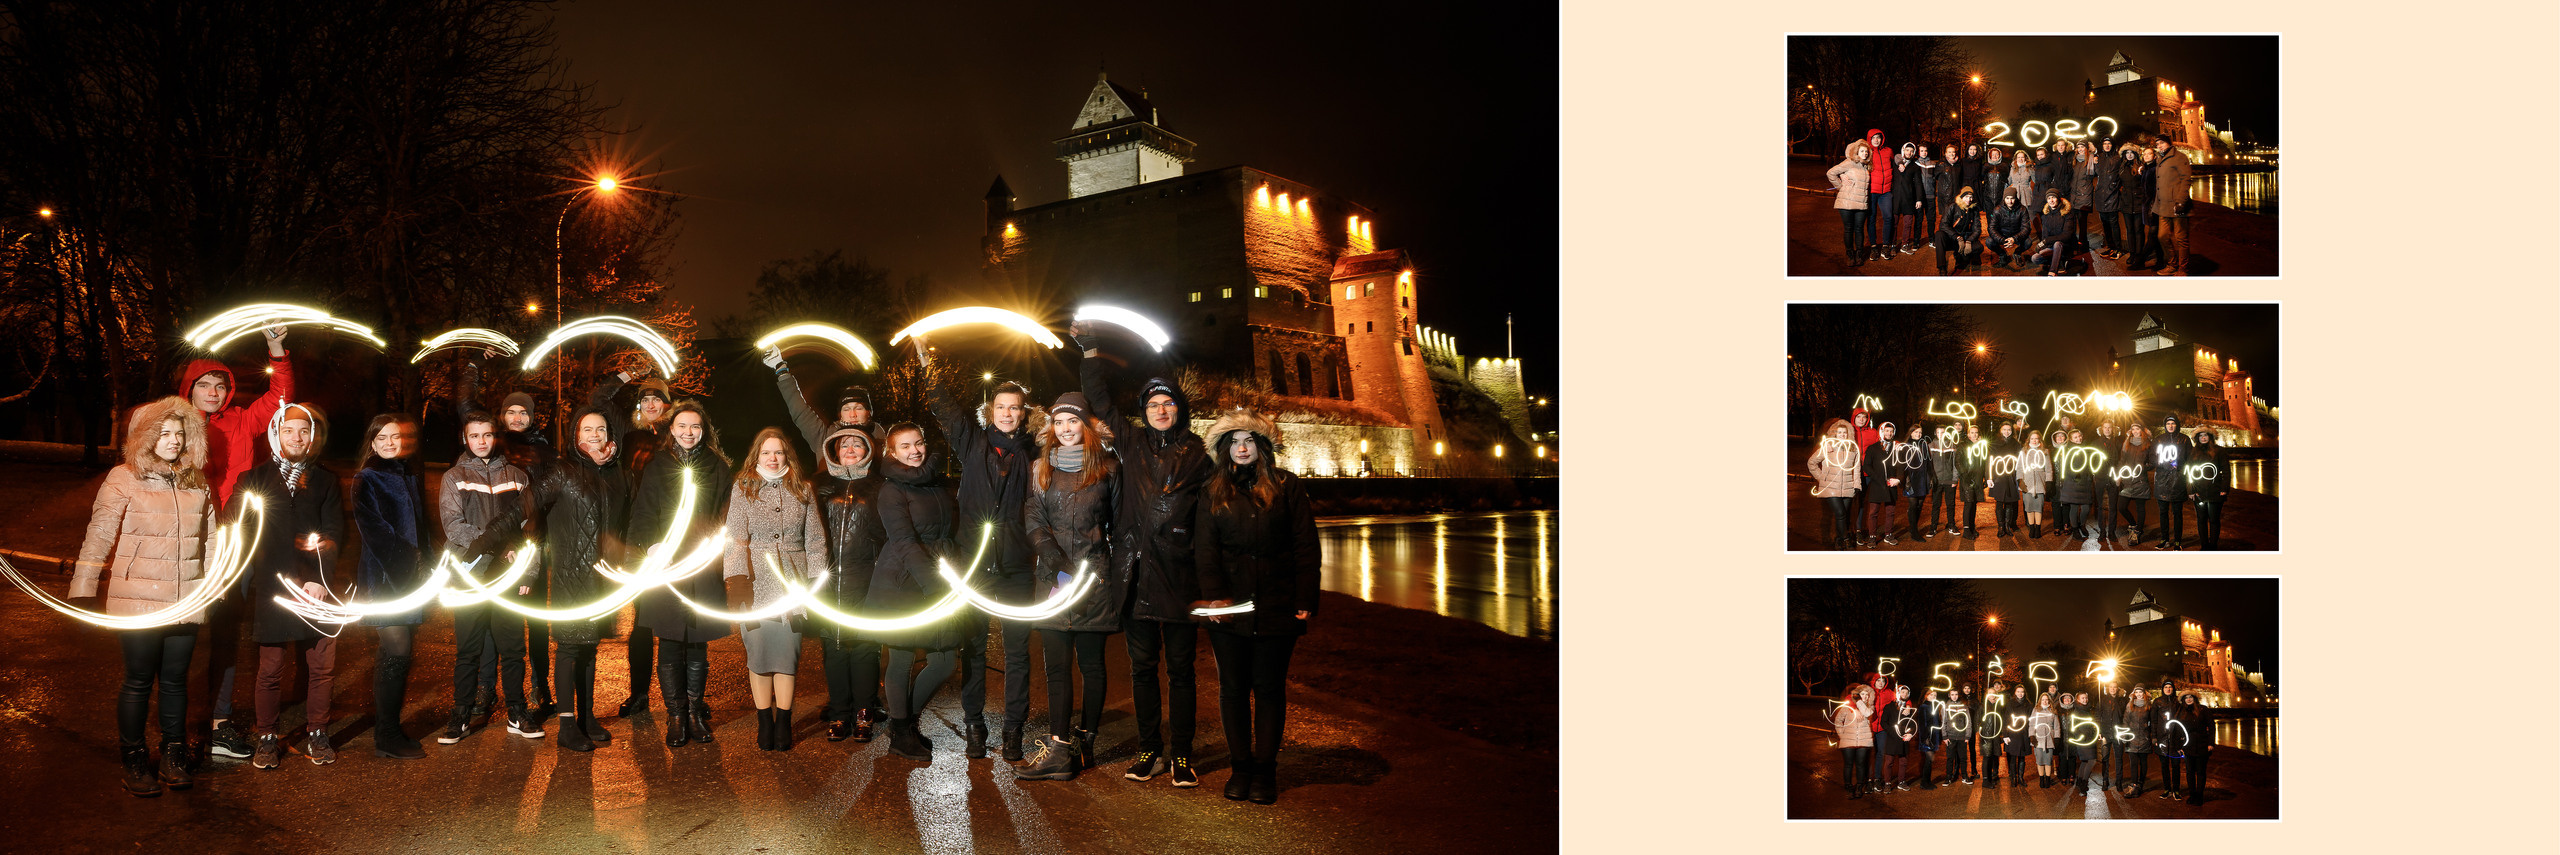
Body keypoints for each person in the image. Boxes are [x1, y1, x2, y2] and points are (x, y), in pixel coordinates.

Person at [1073, 331, 1214, 787]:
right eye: (1153, 404)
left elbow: (1213, 513)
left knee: (1180, 671)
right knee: (1141, 669)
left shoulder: (1199, 453)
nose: (1160, 410)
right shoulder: (1129, 444)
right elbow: (1098, 399)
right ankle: (1150, 749)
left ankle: (1182, 755)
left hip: (1177, 577)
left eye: (1167, 403)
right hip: (1133, 574)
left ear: (1179, 409)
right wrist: (1090, 349)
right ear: (1143, 411)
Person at [74, 398, 218, 796]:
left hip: (186, 596)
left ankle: (173, 754)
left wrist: (213, 584)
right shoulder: (123, 477)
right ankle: (134, 758)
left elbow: (211, 538)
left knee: (175, 681)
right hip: (137, 598)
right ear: (145, 436)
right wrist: (83, 588)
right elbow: (100, 533)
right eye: (164, 433)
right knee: (138, 681)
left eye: (180, 433)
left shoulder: (195, 478)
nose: (173, 441)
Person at [913, 337, 1044, 761]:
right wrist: (927, 360)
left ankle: (1013, 729)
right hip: (973, 564)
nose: (1008, 413)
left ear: (1024, 414)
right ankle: (974, 725)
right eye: (1001, 406)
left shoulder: (1036, 451)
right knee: (973, 649)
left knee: (1018, 652)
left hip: (1016, 565)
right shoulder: (972, 444)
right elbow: (944, 408)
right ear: (990, 411)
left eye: (1015, 408)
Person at [176, 325, 293, 762]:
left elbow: (280, 397)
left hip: (233, 540)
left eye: (220, 384)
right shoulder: (173, 426)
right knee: (181, 636)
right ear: (189, 389)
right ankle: (180, 725)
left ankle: (219, 724)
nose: (212, 391)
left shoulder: (243, 420)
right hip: (185, 542)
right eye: (204, 384)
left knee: (225, 634)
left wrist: (276, 349)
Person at [1193, 410, 1320, 806]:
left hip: (1277, 603)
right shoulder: (1212, 491)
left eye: (1248, 441)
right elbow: (1205, 550)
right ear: (1224, 449)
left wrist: (1305, 598)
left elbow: (1305, 545)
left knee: (1268, 690)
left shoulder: (1287, 486)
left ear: (1261, 447)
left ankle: (1265, 771)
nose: (1242, 448)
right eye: (1233, 442)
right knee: (1233, 690)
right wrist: (1215, 598)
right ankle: (1240, 767)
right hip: (1230, 607)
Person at [1016, 393, 1126, 781]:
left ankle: (1087, 741)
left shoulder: (1109, 469)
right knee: (1056, 668)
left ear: (1087, 427)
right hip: (1053, 582)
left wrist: (1105, 574)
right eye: (1059, 423)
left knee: (1092, 665)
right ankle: (1060, 748)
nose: (1065, 429)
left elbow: (1119, 525)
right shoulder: (1039, 469)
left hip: (1094, 581)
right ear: (1051, 428)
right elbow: (1033, 517)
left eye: (1073, 422)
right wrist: (1053, 558)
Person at [236, 403, 343, 769]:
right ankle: (267, 736)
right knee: (270, 668)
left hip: (316, 586)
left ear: (312, 436)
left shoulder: (326, 481)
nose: (296, 438)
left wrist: (319, 578)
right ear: (275, 435)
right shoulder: (253, 480)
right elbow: (240, 532)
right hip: (273, 587)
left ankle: (317, 732)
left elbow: (333, 533)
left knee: (321, 665)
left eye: (304, 431)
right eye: (288, 431)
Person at [628, 401, 734, 748]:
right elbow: (643, 511)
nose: (689, 433)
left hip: (702, 565)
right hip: (667, 566)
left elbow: (725, 513)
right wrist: (652, 545)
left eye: (696, 427)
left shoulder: (717, 467)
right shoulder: (656, 466)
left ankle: (693, 713)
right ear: (671, 430)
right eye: (683, 426)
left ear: (705, 432)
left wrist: (718, 546)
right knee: (671, 642)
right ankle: (675, 715)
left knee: (698, 642)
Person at [526, 406, 630, 752]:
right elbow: (527, 508)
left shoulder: (616, 475)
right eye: (587, 430)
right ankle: (567, 725)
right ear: (575, 436)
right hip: (572, 576)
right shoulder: (562, 471)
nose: (595, 435)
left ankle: (586, 717)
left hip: (601, 578)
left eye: (601, 429)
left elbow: (622, 526)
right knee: (570, 647)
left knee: (590, 646)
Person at [460, 357, 556, 719]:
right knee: (491, 618)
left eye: (523, 413)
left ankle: (539, 686)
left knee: (532, 619)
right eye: (511, 412)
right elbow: (467, 406)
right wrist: (475, 367)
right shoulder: (493, 447)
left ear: (532, 417)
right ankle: (487, 687)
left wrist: (535, 551)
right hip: (497, 545)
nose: (517, 418)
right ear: (501, 416)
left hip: (531, 543)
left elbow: (547, 501)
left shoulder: (544, 451)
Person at [869, 422, 969, 762]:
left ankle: (905, 724)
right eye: (906, 446)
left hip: (939, 576)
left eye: (919, 442)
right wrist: (935, 586)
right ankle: (901, 731)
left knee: (943, 662)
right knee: (902, 658)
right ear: (892, 453)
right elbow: (905, 543)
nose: (915, 450)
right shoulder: (891, 491)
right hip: (903, 581)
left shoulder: (937, 481)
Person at [724, 428, 825, 752]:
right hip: (755, 582)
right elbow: (736, 537)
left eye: (778, 452)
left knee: (787, 656)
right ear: (757, 456)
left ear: (787, 455)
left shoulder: (803, 488)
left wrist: (814, 581)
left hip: (792, 585)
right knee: (759, 655)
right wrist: (737, 579)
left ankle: (784, 720)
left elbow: (816, 541)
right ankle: (764, 720)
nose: (772, 457)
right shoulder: (743, 488)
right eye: (766, 452)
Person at [437, 410, 528, 745]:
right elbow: (453, 525)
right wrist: (494, 544)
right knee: (469, 649)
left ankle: (517, 711)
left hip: (506, 574)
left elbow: (527, 526)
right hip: (469, 574)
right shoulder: (454, 476)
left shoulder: (518, 476)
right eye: (474, 436)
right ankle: (461, 713)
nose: (481, 442)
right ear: (465, 438)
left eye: (486, 435)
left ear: (495, 436)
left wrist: (524, 563)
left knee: (513, 647)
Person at [353, 414, 434, 760]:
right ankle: (386, 733)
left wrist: (428, 563)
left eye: (395, 437)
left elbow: (422, 525)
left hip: (412, 577)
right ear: (372, 443)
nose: (390, 443)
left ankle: (390, 727)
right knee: (396, 650)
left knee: (399, 654)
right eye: (382, 438)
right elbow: (376, 532)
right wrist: (411, 562)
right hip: (385, 578)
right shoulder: (366, 479)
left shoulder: (409, 475)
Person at [589, 370, 669, 718]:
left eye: (657, 399)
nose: (651, 404)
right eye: (645, 399)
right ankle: (639, 694)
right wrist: (624, 373)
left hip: (670, 535)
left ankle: (684, 695)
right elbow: (598, 401)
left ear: (667, 404)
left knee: (673, 618)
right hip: (635, 535)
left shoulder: (677, 434)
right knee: (641, 622)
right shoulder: (627, 435)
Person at [813, 426, 885, 743]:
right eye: (845, 445)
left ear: (868, 449)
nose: (851, 449)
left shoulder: (879, 486)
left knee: (865, 649)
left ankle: (864, 712)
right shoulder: (820, 487)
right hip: (829, 580)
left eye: (858, 444)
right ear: (834, 450)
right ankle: (840, 713)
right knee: (835, 648)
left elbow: (887, 534)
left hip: (866, 578)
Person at [760, 344, 883, 455]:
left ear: (869, 412)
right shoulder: (824, 439)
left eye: (858, 408)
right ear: (840, 414)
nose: (853, 415)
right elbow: (799, 410)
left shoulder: (885, 442)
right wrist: (781, 369)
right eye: (846, 409)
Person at [2149, 415, 2195, 549]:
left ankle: (2177, 542)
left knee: (2177, 514)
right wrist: (2165, 464)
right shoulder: (2158, 439)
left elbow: (2190, 459)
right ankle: (2164, 539)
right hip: (2161, 481)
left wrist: (2179, 465)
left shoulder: (2184, 439)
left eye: (2173, 423)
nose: (2170, 426)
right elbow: (2153, 457)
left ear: (2177, 425)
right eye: (2168, 423)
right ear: (2165, 425)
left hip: (2178, 481)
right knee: (2163, 513)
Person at [2151, 136, 2195, 275]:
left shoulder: (2179, 157)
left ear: (2169, 143)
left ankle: (2183, 268)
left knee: (2181, 238)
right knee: (2162, 236)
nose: (2160, 146)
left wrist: (2181, 201)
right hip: (2163, 206)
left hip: (2177, 206)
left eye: (2162, 143)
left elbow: (2186, 180)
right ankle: (2172, 263)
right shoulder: (2160, 159)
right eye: (2157, 144)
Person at [1857, 421, 1905, 547]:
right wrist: (1877, 477)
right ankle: (1872, 537)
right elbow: (1866, 466)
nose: (1889, 433)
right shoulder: (1873, 448)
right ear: (1881, 431)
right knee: (1873, 512)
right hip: (1877, 483)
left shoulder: (1896, 447)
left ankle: (1888, 535)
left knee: (1890, 512)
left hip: (1891, 484)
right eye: (1886, 431)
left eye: (1891, 431)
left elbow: (1901, 465)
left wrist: (1898, 479)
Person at [1827, 139, 1872, 268]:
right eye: (1862, 151)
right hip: (1846, 202)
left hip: (1861, 203)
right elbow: (1830, 173)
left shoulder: (1865, 166)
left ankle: (1859, 255)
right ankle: (1850, 256)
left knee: (1859, 229)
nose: (1865, 154)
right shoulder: (1849, 162)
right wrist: (1840, 186)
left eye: (1866, 152)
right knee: (1849, 229)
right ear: (1857, 152)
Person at [2190, 429, 2234, 550]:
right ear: (2197, 438)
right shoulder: (2193, 451)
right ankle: (2204, 546)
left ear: (2210, 436)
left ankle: (2213, 546)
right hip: (2199, 490)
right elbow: (2188, 472)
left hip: (2215, 490)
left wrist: (2224, 489)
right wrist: (2191, 490)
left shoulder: (2219, 451)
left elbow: (2226, 471)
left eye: (2205, 435)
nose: (2203, 438)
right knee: (2201, 520)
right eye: (2200, 436)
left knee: (2214, 520)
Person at [1830, 684, 1874, 800]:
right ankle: (1848, 787)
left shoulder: (1870, 708)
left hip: (1863, 741)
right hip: (1848, 740)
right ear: (1857, 695)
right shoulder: (1847, 707)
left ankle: (1859, 787)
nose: (1864, 696)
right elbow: (1838, 721)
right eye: (1862, 694)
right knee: (1848, 765)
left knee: (1860, 765)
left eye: (1866, 694)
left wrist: (1859, 704)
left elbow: (1867, 714)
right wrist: (1841, 734)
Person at [1932, 186, 1982, 276]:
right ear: (1961, 197)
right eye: (1966, 197)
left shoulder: (1974, 209)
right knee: (1939, 235)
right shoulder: (1953, 206)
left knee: (1979, 247)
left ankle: (1963, 257)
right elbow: (1943, 224)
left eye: (1971, 197)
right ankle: (1942, 268)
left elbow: (1977, 229)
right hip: (1953, 239)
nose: (1969, 199)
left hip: (1966, 239)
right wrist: (1957, 237)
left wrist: (1969, 241)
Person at [1897, 424, 1935, 542]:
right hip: (1911, 479)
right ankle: (1914, 532)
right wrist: (1904, 480)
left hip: (1922, 479)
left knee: (1919, 505)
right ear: (1911, 432)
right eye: (1916, 432)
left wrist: (1931, 477)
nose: (1918, 434)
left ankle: (1913, 527)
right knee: (1913, 505)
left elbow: (1929, 462)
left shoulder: (1924, 445)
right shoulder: (1905, 446)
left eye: (1920, 432)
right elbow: (1900, 465)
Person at [2055, 428, 2094, 539]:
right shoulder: (2067, 450)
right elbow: (2065, 466)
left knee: (2086, 508)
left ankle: (2082, 525)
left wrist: (2089, 476)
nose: (2079, 439)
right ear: (2071, 439)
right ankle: (2075, 529)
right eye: (2075, 437)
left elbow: (2090, 463)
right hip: (2073, 481)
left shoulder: (2086, 448)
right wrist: (2074, 475)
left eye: (2079, 436)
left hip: (2085, 482)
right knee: (2074, 507)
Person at [2117, 424, 2153, 544]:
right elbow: (2122, 460)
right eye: (2133, 429)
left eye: (2138, 429)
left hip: (2140, 481)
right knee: (2121, 506)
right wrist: (2118, 475)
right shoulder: (2127, 443)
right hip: (2127, 480)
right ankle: (2133, 524)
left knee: (2140, 508)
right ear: (2131, 431)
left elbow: (2153, 462)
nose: (2135, 431)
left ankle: (2137, 532)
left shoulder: (2148, 444)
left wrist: (2143, 467)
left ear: (2142, 430)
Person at [1877, 686, 1917, 792]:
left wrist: (1910, 734)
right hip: (1892, 738)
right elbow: (1883, 722)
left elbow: (1913, 724)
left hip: (1904, 738)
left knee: (1903, 761)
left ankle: (1901, 782)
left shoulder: (1909, 708)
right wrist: (1892, 732)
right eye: (1902, 692)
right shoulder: (1889, 707)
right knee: (1889, 761)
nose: (1904, 694)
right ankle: (1887, 783)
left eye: (1906, 693)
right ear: (1898, 693)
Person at [2031, 188, 2078, 276]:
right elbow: (2045, 235)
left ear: (2058, 198)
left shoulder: (2067, 213)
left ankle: (2052, 271)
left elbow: (2067, 235)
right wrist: (2043, 246)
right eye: (2049, 198)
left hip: (2065, 246)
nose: (2051, 200)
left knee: (2057, 244)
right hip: (2052, 247)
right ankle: (2059, 261)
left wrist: (2045, 241)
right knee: (2035, 258)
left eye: (2053, 197)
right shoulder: (2045, 214)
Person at [1865, 129, 1896, 260]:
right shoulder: (1867, 152)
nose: (1876, 140)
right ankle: (1873, 247)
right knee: (1871, 219)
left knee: (1888, 218)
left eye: (1878, 137)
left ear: (1882, 138)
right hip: (1872, 191)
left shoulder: (1888, 151)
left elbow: (1896, 161)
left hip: (1886, 191)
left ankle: (1885, 246)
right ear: (1869, 139)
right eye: (1873, 138)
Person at [1928, 422, 1963, 536]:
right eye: (1938, 432)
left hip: (1949, 480)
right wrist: (1931, 479)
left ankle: (1951, 526)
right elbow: (1928, 465)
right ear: (1935, 433)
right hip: (1936, 480)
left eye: (1943, 432)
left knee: (1951, 504)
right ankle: (1933, 528)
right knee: (1936, 505)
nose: (1940, 434)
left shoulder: (1952, 445)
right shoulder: (1931, 446)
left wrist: (1954, 479)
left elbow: (1955, 464)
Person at [1987, 421, 2021, 537]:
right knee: (1999, 502)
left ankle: (2007, 525)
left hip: (2010, 476)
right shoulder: (1994, 443)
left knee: (2010, 503)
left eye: (2009, 430)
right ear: (2000, 430)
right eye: (2004, 429)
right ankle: (2000, 526)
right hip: (1998, 476)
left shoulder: (2016, 444)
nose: (2007, 432)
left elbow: (2020, 461)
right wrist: (1989, 477)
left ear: (2012, 431)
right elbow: (1989, 461)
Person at [2120, 686, 2156, 797]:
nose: (2139, 694)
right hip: (2132, 739)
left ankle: (2140, 783)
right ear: (2134, 693)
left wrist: (2152, 736)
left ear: (2144, 693)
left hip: (2144, 738)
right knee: (2133, 764)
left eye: (2141, 692)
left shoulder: (2149, 705)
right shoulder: (2129, 705)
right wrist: (2124, 733)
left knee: (2143, 763)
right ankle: (2133, 785)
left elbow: (2153, 722)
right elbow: (2125, 720)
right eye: (2137, 692)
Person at [1889, 143, 1924, 254]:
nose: (1909, 152)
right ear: (1903, 150)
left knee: (1908, 223)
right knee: (1893, 223)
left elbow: (1918, 184)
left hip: (1909, 199)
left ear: (1913, 153)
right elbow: (1895, 157)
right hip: (1895, 198)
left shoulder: (1915, 167)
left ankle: (1905, 244)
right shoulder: (1895, 163)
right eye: (1907, 150)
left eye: (1911, 151)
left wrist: (1919, 199)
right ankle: (1893, 245)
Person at [2093, 138, 2124, 259]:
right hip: (2101, 194)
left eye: (2109, 143)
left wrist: (2116, 187)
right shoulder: (2099, 157)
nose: (2107, 145)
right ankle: (2111, 247)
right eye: (2105, 144)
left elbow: (2121, 174)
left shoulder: (2117, 158)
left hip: (2112, 194)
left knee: (2114, 223)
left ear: (2113, 145)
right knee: (2105, 224)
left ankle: (2118, 249)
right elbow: (2097, 174)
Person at [2017, 429, 2051, 537]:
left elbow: (2048, 468)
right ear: (2029, 440)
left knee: (2039, 507)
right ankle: (2031, 527)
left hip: (2040, 483)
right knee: (2029, 507)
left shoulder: (2044, 451)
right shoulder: (2024, 451)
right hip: (2027, 482)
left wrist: (2048, 481)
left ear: (2039, 439)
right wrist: (2020, 480)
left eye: (2037, 438)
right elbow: (2019, 467)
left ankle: (2038, 528)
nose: (2035, 440)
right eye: (2032, 438)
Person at [2180, 693, 2213, 805]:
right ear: (2184, 700)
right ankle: (2192, 794)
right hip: (2188, 746)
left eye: (2190, 697)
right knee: (2189, 772)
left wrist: (2211, 743)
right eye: (2186, 698)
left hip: (2202, 745)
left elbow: (2212, 726)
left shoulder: (2203, 709)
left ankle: (2199, 796)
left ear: (2194, 698)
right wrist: (2180, 745)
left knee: (2201, 772)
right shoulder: (2182, 712)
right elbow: (2179, 730)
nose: (2188, 699)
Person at [1957, 422, 1989, 538]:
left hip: (1978, 478)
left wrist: (1985, 477)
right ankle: (1966, 530)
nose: (1974, 435)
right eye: (1972, 432)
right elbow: (1958, 462)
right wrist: (1964, 474)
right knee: (1968, 503)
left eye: (1976, 433)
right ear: (1968, 434)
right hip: (1967, 478)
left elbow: (1985, 463)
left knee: (1974, 503)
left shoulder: (1982, 446)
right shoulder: (1963, 445)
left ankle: (1972, 526)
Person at [1988, 185, 2031, 270]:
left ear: (2016, 198)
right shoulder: (1997, 209)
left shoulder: (2022, 209)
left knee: (2028, 242)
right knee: (1989, 242)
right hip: (2002, 235)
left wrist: (2014, 238)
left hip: (2016, 235)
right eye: (2007, 198)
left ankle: (2017, 253)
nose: (2010, 201)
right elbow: (1991, 228)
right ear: (2004, 198)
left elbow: (2026, 228)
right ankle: (2002, 255)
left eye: (2012, 198)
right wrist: (2002, 240)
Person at [1976, 680, 2006, 787]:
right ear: (1987, 695)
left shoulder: (1999, 706)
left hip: (1996, 735)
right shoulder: (1982, 706)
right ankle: (1985, 780)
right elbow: (1977, 721)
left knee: (1994, 756)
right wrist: (1981, 731)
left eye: (1993, 693)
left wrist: (2002, 733)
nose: (1991, 695)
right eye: (1989, 693)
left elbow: (2003, 719)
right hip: (1986, 736)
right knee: (1987, 757)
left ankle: (1992, 776)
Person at [2002, 681, 2032, 787]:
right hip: (2013, 734)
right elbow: (2006, 719)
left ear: (2025, 693)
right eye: (2018, 691)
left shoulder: (2028, 704)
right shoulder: (2010, 703)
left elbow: (2031, 721)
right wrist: (2005, 735)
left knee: (2022, 758)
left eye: (2022, 692)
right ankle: (2013, 777)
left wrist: (2031, 735)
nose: (2020, 694)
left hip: (2023, 734)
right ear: (2015, 692)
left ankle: (2020, 777)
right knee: (2013, 757)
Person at [2095, 683, 2123, 792]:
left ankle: (2119, 781)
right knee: (2105, 758)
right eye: (2111, 687)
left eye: (2115, 687)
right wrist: (2099, 730)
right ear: (2108, 688)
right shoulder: (2102, 700)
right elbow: (2097, 715)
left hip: (2117, 734)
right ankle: (2105, 781)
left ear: (2117, 689)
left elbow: (2123, 715)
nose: (2113, 689)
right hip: (2106, 733)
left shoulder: (2121, 700)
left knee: (2119, 759)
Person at [2029, 691, 2059, 788]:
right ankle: (2041, 779)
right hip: (2038, 738)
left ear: (2049, 701)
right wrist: (2032, 736)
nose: (2045, 701)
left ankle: (2047, 779)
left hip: (2049, 738)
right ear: (2040, 700)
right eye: (2043, 700)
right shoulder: (2036, 710)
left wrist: (2057, 738)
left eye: (2046, 700)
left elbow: (2057, 726)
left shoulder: (2053, 711)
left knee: (2048, 760)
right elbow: (2032, 724)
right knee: (2040, 760)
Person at [1980, 147, 2009, 215]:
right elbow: (1981, 178)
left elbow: (2007, 179)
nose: (1995, 156)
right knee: (1990, 214)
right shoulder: (1985, 166)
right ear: (1990, 156)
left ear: (2000, 155)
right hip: (1988, 195)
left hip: (2000, 195)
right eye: (1993, 154)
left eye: (1997, 154)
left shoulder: (2004, 166)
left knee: (2000, 214)